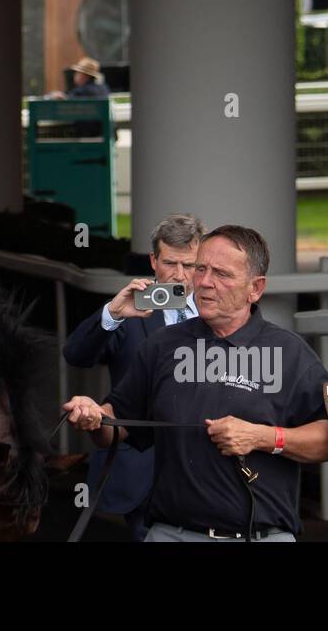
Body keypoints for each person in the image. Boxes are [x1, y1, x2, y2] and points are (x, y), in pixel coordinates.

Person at [63, 225, 328, 542]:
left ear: (256, 288)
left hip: (260, 536)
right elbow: (118, 422)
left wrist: (263, 437)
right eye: (202, 269)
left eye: (222, 274)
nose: (204, 282)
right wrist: (93, 415)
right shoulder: (162, 345)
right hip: (171, 534)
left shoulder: (290, 353)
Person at [62, 213, 204, 540]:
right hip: (143, 470)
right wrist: (112, 314)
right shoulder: (130, 309)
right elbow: (76, 355)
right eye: (170, 263)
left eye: (189, 265)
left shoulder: (218, 311)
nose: (179, 275)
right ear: (154, 260)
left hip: (204, 469)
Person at [45, 56, 110, 100]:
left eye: (77, 73)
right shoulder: (103, 88)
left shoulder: (81, 91)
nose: (74, 75)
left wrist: (62, 97)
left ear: (84, 76)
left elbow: (68, 101)